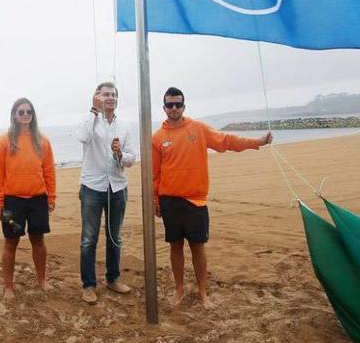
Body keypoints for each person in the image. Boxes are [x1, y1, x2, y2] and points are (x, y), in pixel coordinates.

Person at [151, 87, 272, 308]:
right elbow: (154, 174)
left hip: (195, 200)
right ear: (164, 108)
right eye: (170, 104)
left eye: (178, 104)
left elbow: (226, 141)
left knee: (198, 247)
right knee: (175, 247)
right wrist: (156, 201)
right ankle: (179, 290)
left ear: (184, 106)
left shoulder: (197, 128)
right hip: (170, 201)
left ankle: (202, 292)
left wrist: (257, 142)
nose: (174, 108)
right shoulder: (158, 137)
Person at [75, 81, 136, 304]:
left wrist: (120, 154)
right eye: (104, 94)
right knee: (89, 239)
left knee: (114, 236)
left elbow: (131, 158)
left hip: (117, 187)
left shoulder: (125, 125)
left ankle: (113, 278)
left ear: (117, 99)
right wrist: (93, 109)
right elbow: (83, 137)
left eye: (113, 94)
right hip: (92, 186)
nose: (109, 97)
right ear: (96, 97)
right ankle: (89, 285)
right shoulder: (89, 120)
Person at [0, 97, 56, 300]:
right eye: (21, 112)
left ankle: (42, 280)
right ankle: (8, 286)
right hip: (13, 200)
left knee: (38, 241)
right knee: (11, 243)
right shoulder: (4, 140)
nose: (25, 115)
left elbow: (49, 171)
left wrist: (51, 196)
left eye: (29, 112)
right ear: (14, 115)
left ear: (33, 115)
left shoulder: (42, 140)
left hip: (37, 199)